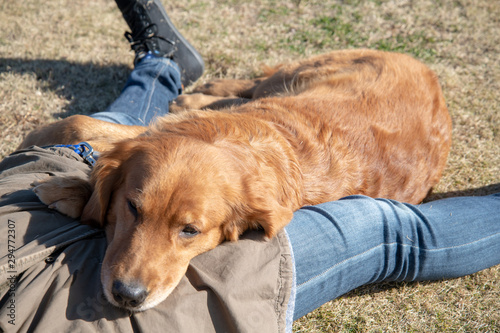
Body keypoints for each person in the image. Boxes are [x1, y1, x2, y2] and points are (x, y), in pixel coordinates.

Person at [0, 0, 499, 332]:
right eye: (135, 209)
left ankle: (165, 62)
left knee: (134, 122)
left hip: (375, 77)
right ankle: (167, 65)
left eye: (187, 231)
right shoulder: (251, 212)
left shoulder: (245, 203)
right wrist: (98, 201)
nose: (133, 273)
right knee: (391, 233)